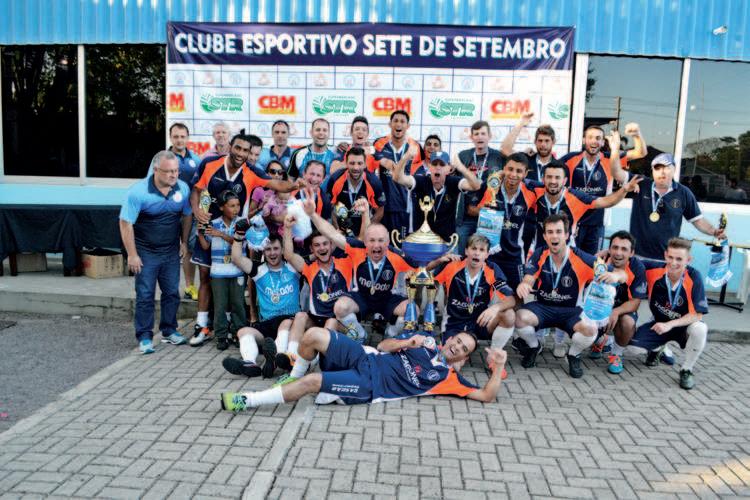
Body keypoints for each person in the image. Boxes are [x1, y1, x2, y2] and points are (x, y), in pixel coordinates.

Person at [189, 133, 301, 346]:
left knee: (234, 284)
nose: (241, 153)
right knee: (205, 277)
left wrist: (296, 185)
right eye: (238, 148)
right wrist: (197, 212)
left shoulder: (252, 171)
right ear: (230, 146)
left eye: (246, 150)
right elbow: (195, 191)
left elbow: (277, 185)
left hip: (236, 234)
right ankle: (201, 325)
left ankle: (233, 328)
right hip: (209, 227)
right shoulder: (210, 164)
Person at [220, 327, 508, 410]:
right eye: (457, 341)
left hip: (369, 384)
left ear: (464, 357)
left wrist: (499, 366)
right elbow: (382, 345)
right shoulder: (425, 342)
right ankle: (290, 376)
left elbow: (487, 396)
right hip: (366, 357)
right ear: (451, 339)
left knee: (314, 382)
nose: (456, 347)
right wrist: (407, 342)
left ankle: (247, 401)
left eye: (463, 348)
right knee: (313, 335)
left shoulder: (448, 378)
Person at [514, 214, 627, 378]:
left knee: (590, 329)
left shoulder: (581, 257)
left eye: (559, 231)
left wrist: (615, 276)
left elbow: (622, 274)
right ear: (544, 236)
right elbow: (529, 277)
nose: (554, 236)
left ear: (567, 235)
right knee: (519, 317)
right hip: (544, 307)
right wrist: (525, 284)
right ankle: (534, 346)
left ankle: (573, 355)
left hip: (572, 311)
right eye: (550, 232)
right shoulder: (539, 254)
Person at [301, 190, 415, 343]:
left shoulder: (396, 254)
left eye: (380, 240)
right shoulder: (358, 249)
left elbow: (422, 269)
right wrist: (312, 214)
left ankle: (391, 333)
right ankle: (360, 335)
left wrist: (433, 263)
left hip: (387, 298)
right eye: (372, 240)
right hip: (361, 297)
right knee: (340, 307)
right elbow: (332, 234)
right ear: (366, 242)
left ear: (387, 242)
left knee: (411, 310)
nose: (376, 245)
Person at [119, 151, 192, 354]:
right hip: (146, 252)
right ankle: (144, 337)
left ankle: (169, 330)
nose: (174, 175)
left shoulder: (183, 188)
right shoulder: (138, 192)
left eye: (176, 171)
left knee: (172, 293)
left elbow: (187, 215)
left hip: (170, 251)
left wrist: (184, 242)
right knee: (145, 295)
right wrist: (132, 254)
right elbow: (125, 223)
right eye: (169, 171)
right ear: (156, 170)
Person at [272, 211, 356, 379]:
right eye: (317, 245)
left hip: (339, 322)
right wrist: (287, 228)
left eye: (325, 244)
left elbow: (361, 247)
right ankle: (292, 356)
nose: (322, 248)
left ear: (332, 245)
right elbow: (288, 255)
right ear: (312, 249)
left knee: (331, 322)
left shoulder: (345, 263)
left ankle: (312, 362)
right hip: (316, 320)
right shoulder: (309, 268)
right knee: (300, 316)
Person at [609, 152, 726, 263]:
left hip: (666, 260)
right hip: (637, 257)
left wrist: (714, 231)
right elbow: (616, 173)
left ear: (674, 169)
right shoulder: (641, 183)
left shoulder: (683, 193)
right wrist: (614, 150)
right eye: (657, 168)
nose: (662, 172)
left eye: (666, 168)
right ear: (652, 171)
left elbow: (698, 220)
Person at [627, 238, 709, 390]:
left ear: (688, 260)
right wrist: (606, 253)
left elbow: (698, 315)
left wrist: (670, 324)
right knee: (633, 348)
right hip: (659, 324)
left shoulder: (694, 277)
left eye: (679, 259)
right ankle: (659, 348)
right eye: (670, 257)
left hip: (683, 327)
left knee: (700, 328)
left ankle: (686, 369)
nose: (673, 263)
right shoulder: (653, 269)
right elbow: (628, 260)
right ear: (665, 255)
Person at [430, 234, 516, 376]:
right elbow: (423, 275)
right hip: (454, 323)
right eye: (473, 248)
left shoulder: (492, 269)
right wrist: (439, 260)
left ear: (487, 254)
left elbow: (511, 300)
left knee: (509, 315)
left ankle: (493, 357)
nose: (477, 253)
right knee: (453, 365)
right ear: (466, 251)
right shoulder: (453, 265)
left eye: (481, 250)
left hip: (479, 322)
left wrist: (495, 308)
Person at [221, 233, 301, 377]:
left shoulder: (293, 267)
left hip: (290, 322)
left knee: (285, 323)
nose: (272, 253)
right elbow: (237, 258)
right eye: (268, 249)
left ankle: (276, 359)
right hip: (267, 324)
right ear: (263, 251)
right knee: (243, 332)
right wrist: (238, 236)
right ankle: (250, 363)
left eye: (276, 248)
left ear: (283, 250)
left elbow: (314, 258)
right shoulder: (259, 269)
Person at [560, 124, 647, 254]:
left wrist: (637, 134)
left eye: (598, 138)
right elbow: (549, 167)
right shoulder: (570, 158)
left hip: (597, 223)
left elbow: (641, 153)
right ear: (584, 140)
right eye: (590, 137)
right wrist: (531, 155)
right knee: (570, 259)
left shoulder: (611, 159)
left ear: (602, 142)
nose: (594, 141)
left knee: (594, 261)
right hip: (573, 221)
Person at [531, 157, 642, 251]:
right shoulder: (534, 191)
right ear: (543, 179)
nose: (553, 181)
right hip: (538, 253)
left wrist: (624, 190)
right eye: (549, 177)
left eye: (557, 177)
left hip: (566, 254)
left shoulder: (575, 197)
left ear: (564, 181)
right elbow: (520, 177)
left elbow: (606, 202)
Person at [472, 152, 540, 290]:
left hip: (515, 255)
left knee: (517, 294)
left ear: (526, 173)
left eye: (519, 171)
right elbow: (470, 209)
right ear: (504, 169)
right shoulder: (491, 186)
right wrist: (486, 212)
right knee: (484, 293)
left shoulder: (531, 192)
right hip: (490, 253)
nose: (513, 174)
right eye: (510, 169)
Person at [592, 231, 648, 373]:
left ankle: (616, 354)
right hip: (598, 307)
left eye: (624, 249)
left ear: (631, 253)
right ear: (609, 249)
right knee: (580, 323)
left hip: (622, 310)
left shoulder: (637, 268)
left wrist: (615, 312)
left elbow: (635, 302)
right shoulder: (599, 261)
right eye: (615, 247)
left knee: (628, 323)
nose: (618, 253)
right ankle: (600, 341)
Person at [196, 190, 246, 350]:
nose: (236, 209)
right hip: (218, 272)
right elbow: (205, 246)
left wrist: (221, 234)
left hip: (237, 271)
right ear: (222, 207)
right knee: (220, 305)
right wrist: (200, 232)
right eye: (232, 206)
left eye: (238, 205)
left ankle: (239, 333)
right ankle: (222, 336)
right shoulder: (214, 223)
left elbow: (240, 243)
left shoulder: (242, 223)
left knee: (238, 304)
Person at [393, 151, 480, 240]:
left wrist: (461, 167)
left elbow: (476, 186)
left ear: (448, 168)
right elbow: (398, 178)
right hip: (422, 238)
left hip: (446, 240)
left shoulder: (453, 182)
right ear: (429, 167)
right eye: (434, 164)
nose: (438, 168)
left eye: (442, 165)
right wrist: (405, 157)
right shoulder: (421, 181)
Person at [372, 110, 424, 239]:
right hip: (382, 206)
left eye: (402, 121)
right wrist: (383, 161)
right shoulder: (379, 143)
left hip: (405, 206)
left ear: (408, 126)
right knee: (382, 244)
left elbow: (419, 177)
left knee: (400, 246)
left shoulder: (415, 147)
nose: (398, 124)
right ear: (390, 124)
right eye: (395, 121)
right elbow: (372, 159)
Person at [456, 120, 505, 254]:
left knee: (485, 255)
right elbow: (454, 183)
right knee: (462, 255)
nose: (479, 137)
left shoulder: (499, 157)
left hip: (489, 217)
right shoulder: (463, 156)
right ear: (471, 137)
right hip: (466, 216)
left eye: (483, 133)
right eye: (476, 134)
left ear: (490, 136)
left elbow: (515, 165)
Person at [167, 122, 202, 301]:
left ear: (187, 138)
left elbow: (201, 187)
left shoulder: (196, 160)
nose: (179, 140)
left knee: (188, 248)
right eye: (176, 136)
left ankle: (189, 286)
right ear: (170, 137)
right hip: (168, 213)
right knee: (167, 251)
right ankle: (169, 288)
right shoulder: (161, 159)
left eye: (182, 136)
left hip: (190, 214)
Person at [327, 146, 385, 237]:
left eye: (359, 163)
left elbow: (379, 212)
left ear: (365, 164)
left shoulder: (374, 182)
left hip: (364, 230)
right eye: (352, 163)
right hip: (341, 231)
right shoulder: (335, 179)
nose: (356, 167)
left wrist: (366, 232)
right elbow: (330, 208)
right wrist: (338, 232)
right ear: (346, 163)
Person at [501, 113, 555, 183]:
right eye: (540, 140)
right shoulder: (526, 159)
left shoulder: (559, 166)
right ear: (535, 142)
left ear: (553, 142)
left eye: (547, 141)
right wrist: (521, 123)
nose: (543, 144)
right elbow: (505, 149)